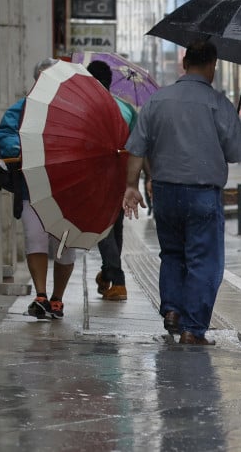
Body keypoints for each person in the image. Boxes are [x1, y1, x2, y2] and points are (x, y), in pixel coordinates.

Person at [121, 41, 241, 345]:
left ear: (184, 63)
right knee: (204, 261)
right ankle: (193, 328)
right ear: (212, 66)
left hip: (164, 193)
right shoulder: (219, 103)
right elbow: (237, 151)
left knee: (173, 254)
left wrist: (131, 186)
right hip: (203, 194)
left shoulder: (157, 101)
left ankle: (173, 310)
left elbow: (136, 148)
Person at [0, 57, 76, 320]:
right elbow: (7, 136)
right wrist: (20, 149)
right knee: (35, 238)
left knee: (65, 244)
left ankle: (57, 299)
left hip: (67, 189)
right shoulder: (21, 109)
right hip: (33, 186)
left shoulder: (73, 112)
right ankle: (41, 295)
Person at [86, 60, 141, 301]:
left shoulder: (88, 109)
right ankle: (107, 273)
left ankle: (117, 280)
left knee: (103, 226)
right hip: (121, 176)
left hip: (97, 176)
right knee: (115, 226)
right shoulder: (126, 109)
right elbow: (137, 145)